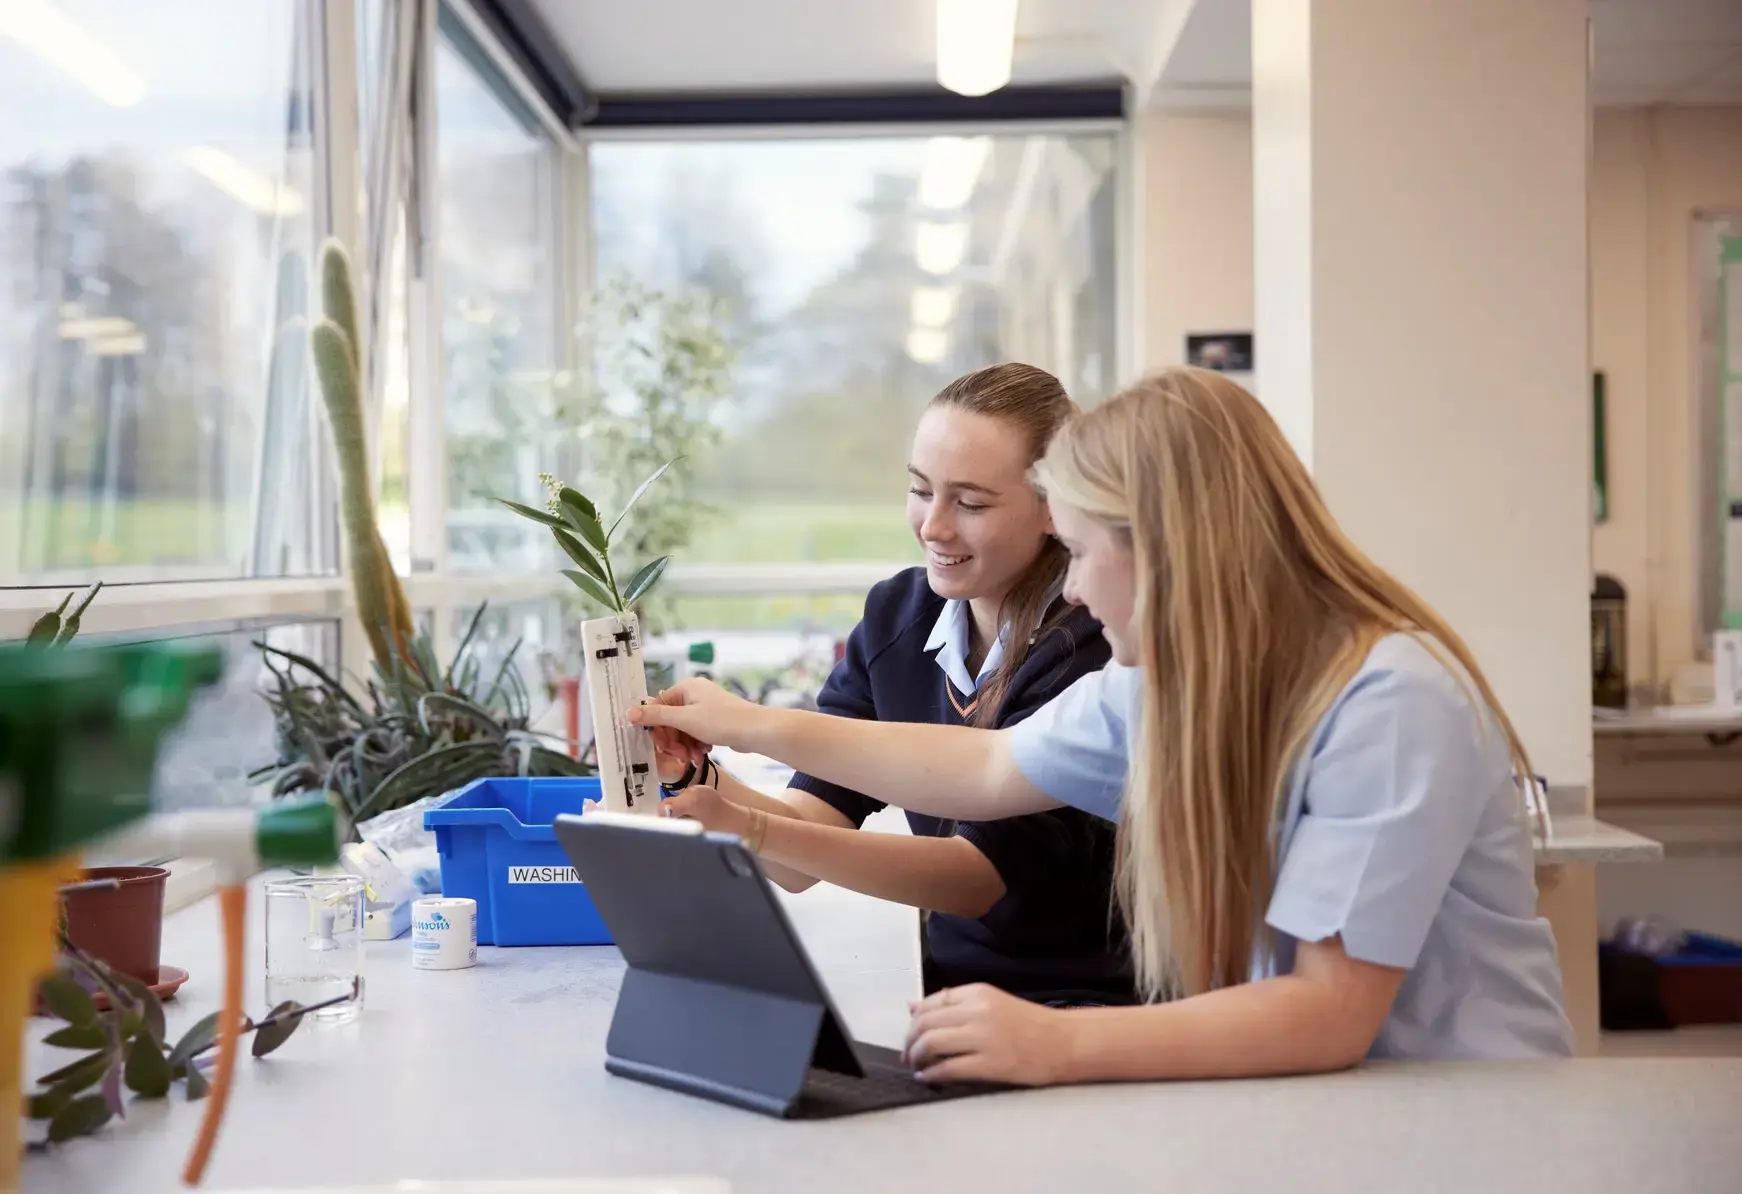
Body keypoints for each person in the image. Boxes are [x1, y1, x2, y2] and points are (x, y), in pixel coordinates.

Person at [634, 365, 1574, 1082]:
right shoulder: (1167, 678)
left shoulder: (1390, 702)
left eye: (1081, 551)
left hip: (1459, 1110)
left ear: (1168, 548)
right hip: (1314, 1097)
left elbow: (1329, 1013)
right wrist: (752, 739)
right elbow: (984, 768)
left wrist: (1055, 1039)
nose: (1074, 586)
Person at [655, 362, 1134, 1008]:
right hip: (954, 999)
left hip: (1088, 1007)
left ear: (1054, 507)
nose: (933, 527)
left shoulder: (1095, 643)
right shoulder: (898, 619)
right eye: (919, 490)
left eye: (969, 503)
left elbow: (976, 878)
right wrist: (699, 784)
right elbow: (802, 853)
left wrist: (748, 750)